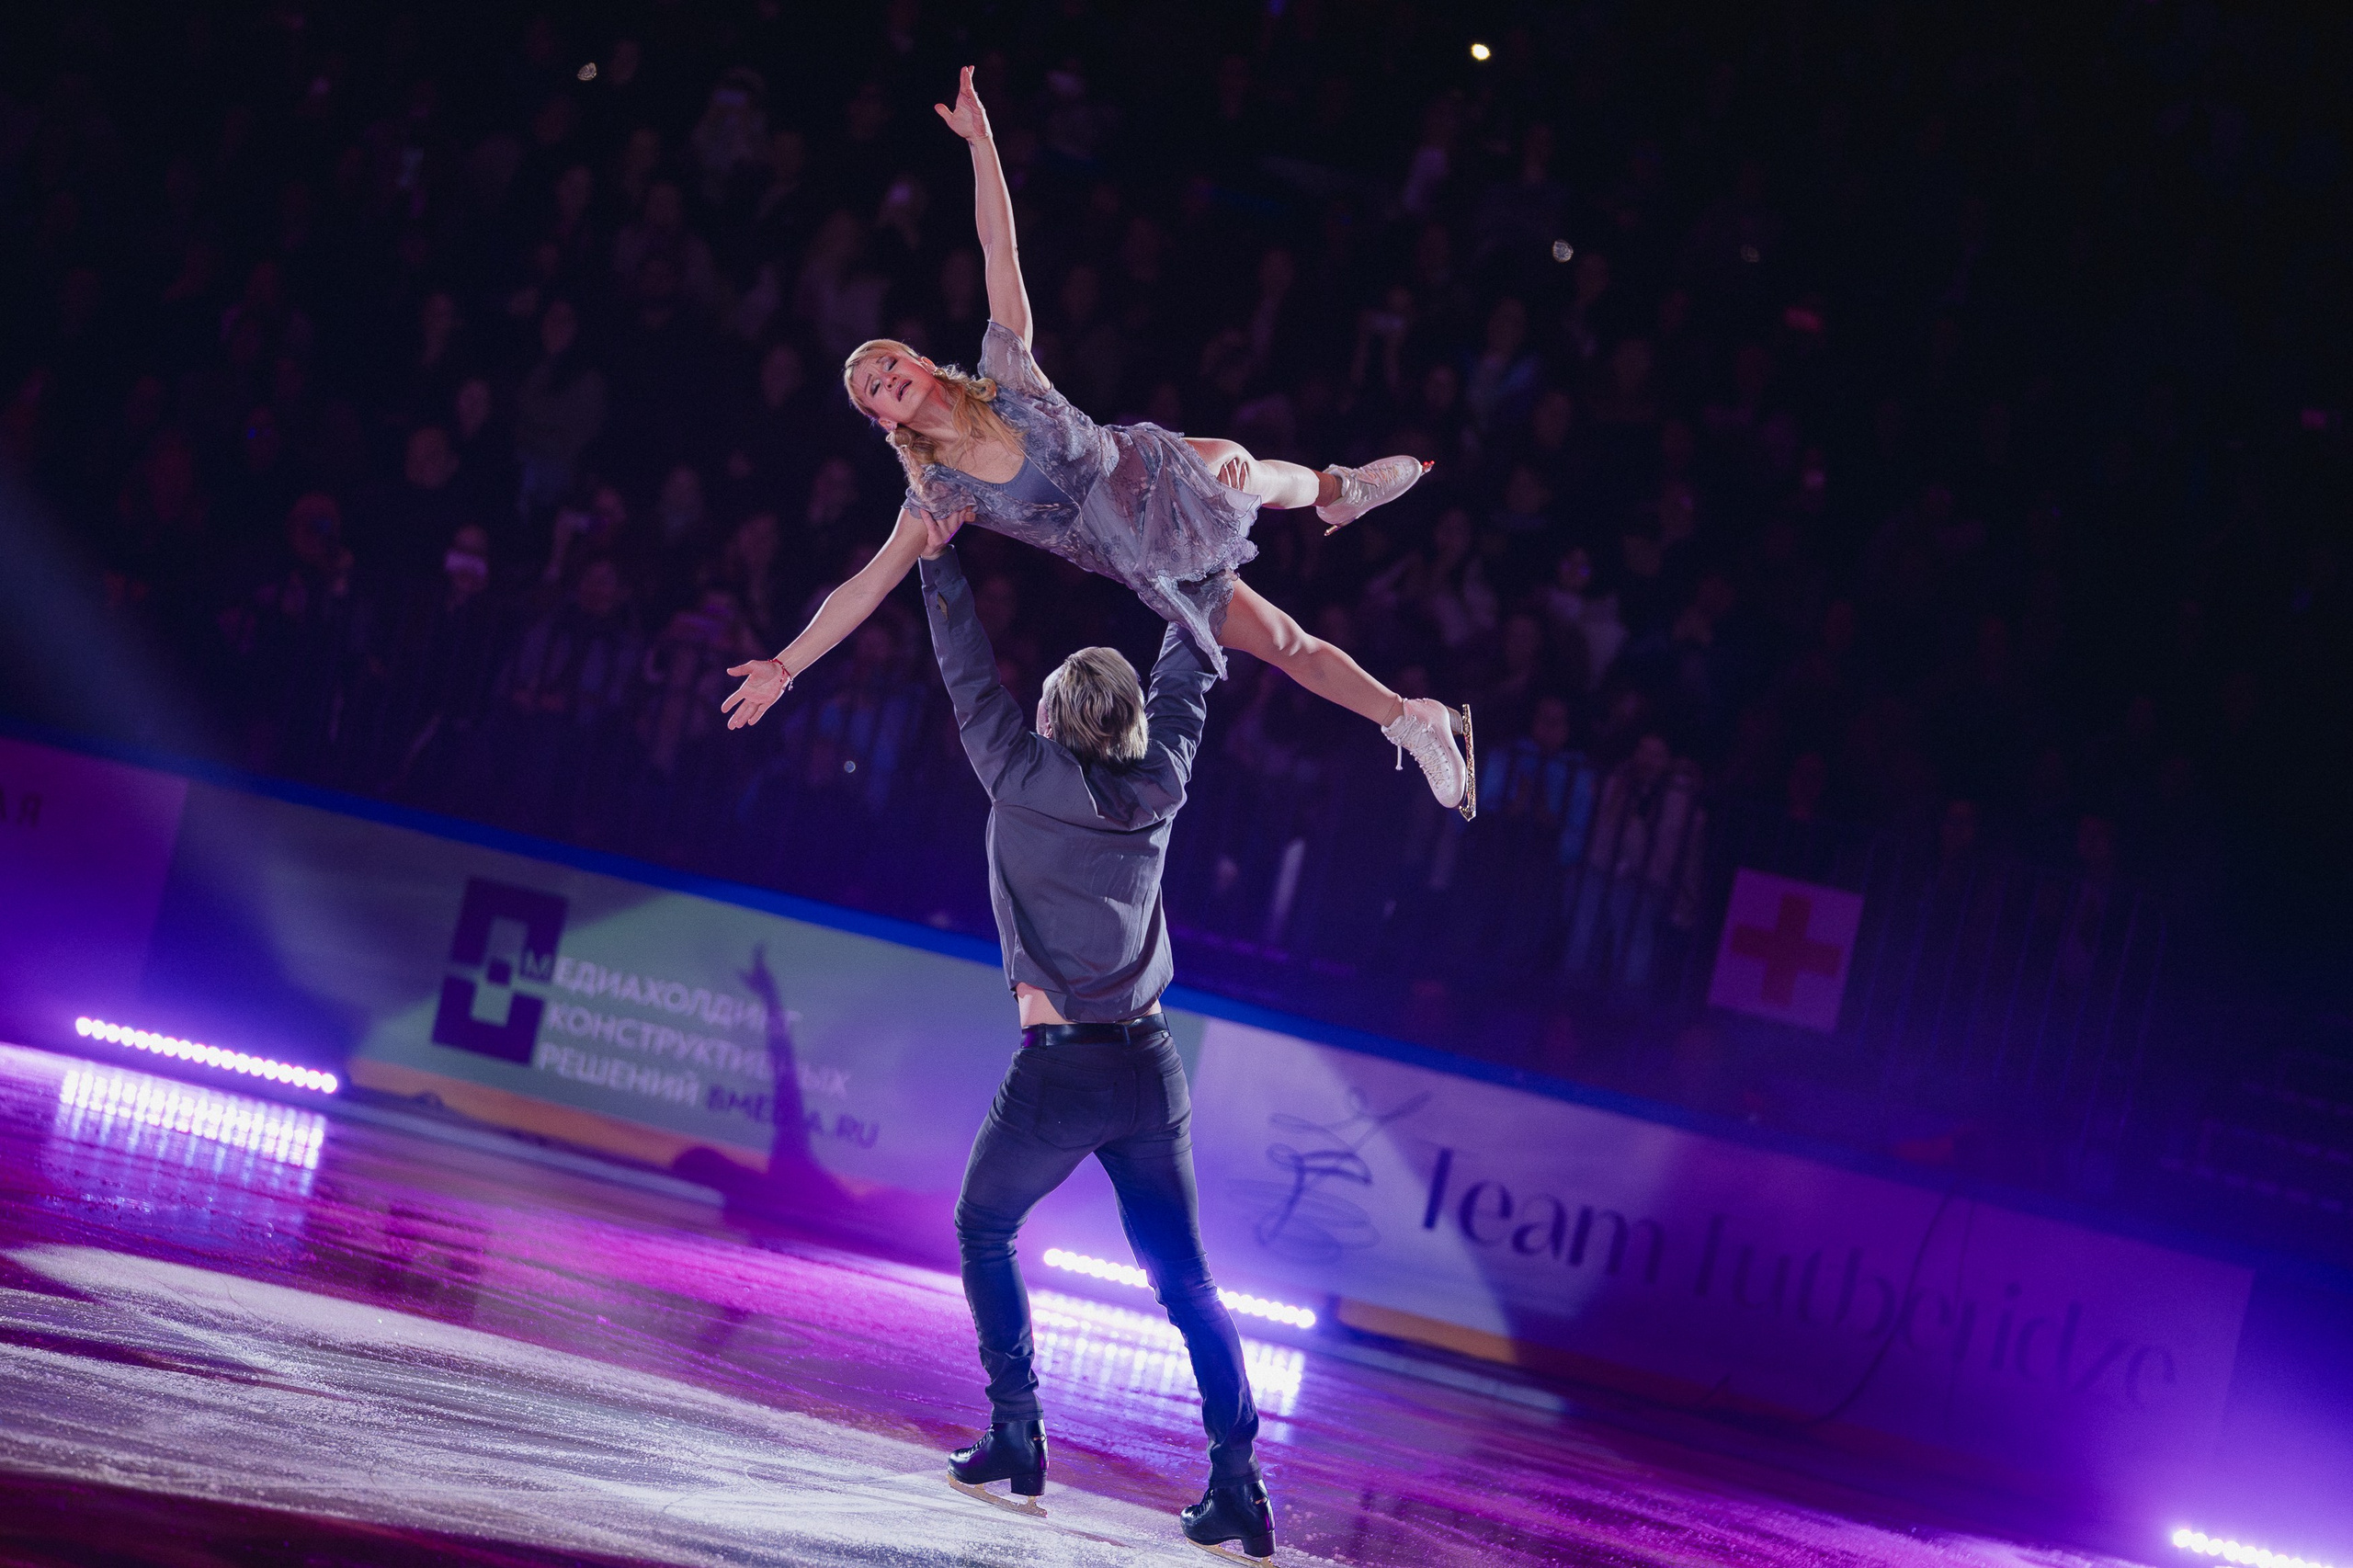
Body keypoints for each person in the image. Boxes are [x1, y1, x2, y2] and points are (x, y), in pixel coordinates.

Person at [721, 67, 1475, 818]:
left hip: (1160, 475)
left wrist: (982, 145)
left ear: (919, 360)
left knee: (1244, 476)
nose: (889, 380)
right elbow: (864, 587)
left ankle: (1341, 489)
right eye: (875, 390)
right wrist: (785, 667)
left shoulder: (1007, 372)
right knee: (1287, 645)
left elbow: (997, 249)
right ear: (884, 422)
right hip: (1148, 563)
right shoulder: (940, 494)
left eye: (890, 364)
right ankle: (1415, 718)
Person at [912, 504, 1278, 1561]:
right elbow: (1188, 671)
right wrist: (1198, 574)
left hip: (1060, 1072)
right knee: (1188, 1283)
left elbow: (965, 673)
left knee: (984, 1229)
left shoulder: (1017, 775)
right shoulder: (1158, 781)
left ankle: (1018, 1425)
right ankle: (1236, 1484)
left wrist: (939, 561)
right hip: (1150, 1070)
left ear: (1052, 718)